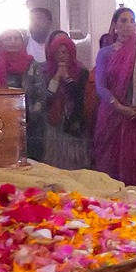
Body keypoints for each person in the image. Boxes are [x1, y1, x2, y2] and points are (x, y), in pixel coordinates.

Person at [91, 8, 136, 186]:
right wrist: (119, 107)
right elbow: (100, 87)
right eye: (124, 20)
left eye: (132, 20)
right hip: (112, 115)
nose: (129, 25)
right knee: (110, 166)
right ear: (115, 25)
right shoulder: (105, 53)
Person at [39, 33, 95, 170]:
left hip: (75, 123)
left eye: (65, 52)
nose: (61, 56)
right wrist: (57, 77)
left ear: (71, 53)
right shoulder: (45, 72)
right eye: (57, 53)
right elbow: (46, 96)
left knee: (76, 160)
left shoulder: (82, 73)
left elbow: (79, 96)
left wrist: (67, 77)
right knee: (56, 161)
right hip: (54, 123)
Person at [0, 29, 46, 159]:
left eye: (16, 38)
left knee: (31, 158)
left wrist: (30, 117)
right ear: (0, 43)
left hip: (30, 122)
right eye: (8, 39)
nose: (12, 42)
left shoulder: (32, 64)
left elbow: (40, 93)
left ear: (22, 42)